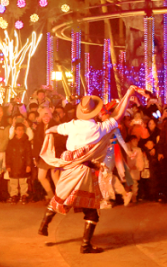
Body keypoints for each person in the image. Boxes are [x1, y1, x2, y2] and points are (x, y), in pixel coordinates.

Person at [37, 87, 143, 253]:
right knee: (92, 211)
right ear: (95, 112)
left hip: (70, 167)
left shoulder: (73, 125)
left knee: (60, 197)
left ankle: (44, 225)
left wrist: (49, 130)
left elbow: (56, 129)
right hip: (84, 171)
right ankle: (85, 245)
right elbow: (118, 115)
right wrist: (128, 94)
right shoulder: (98, 128)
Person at [4, 122, 33, 203]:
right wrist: (8, 165)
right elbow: (8, 154)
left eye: (22, 130)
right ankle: (14, 195)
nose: (20, 132)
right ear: (15, 131)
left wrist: (28, 165)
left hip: (23, 164)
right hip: (13, 164)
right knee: (13, 181)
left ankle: (24, 195)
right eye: (18, 130)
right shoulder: (11, 142)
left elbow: (29, 154)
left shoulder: (26, 141)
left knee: (23, 181)